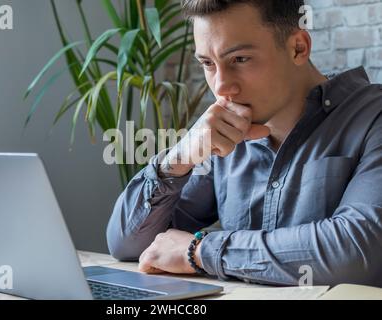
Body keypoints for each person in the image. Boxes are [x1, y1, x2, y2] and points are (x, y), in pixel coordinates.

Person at [106, 0, 382, 286]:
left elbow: (357, 255)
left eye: (240, 59)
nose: (221, 86)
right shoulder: (223, 138)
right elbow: (127, 245)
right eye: (207, 64)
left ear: (298, 47)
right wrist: (178, 158)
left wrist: (200, 252)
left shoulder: (374, 118)